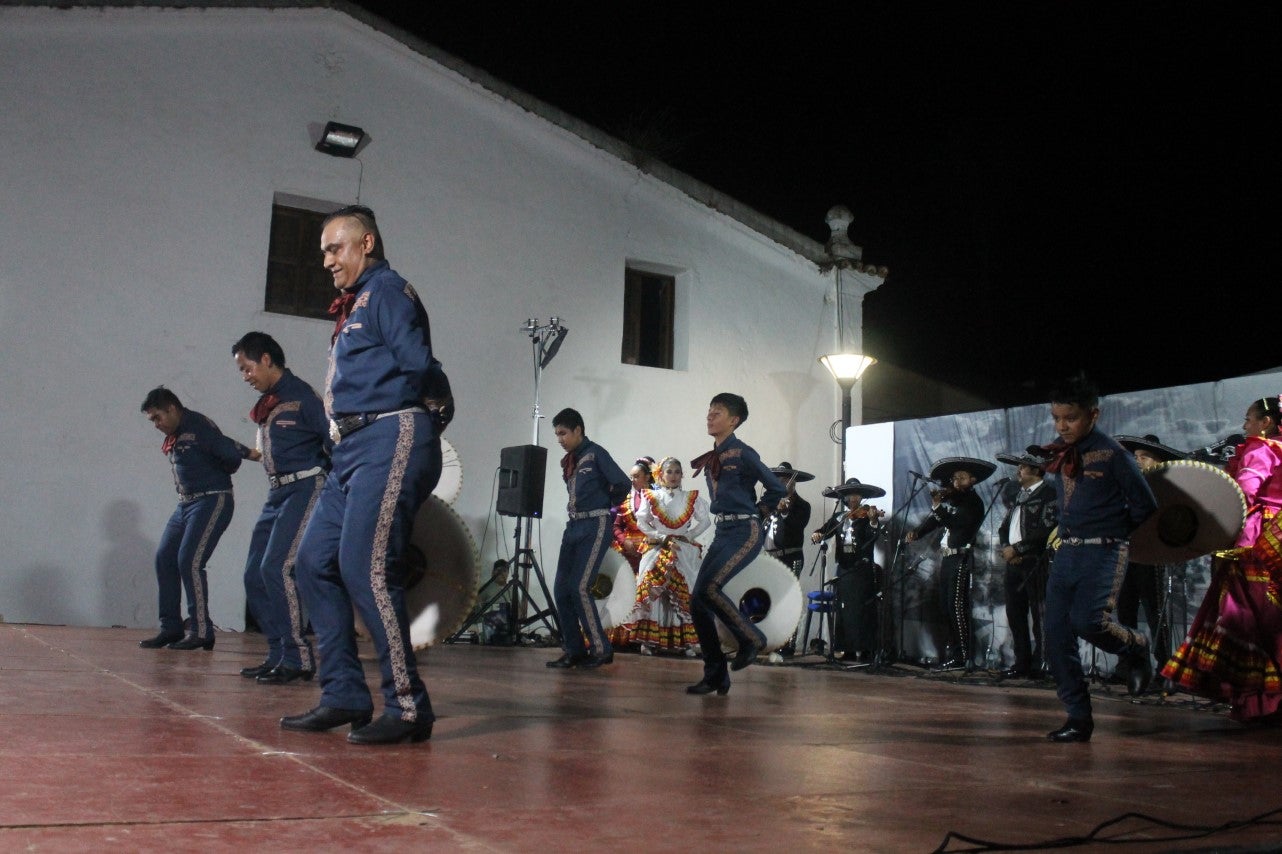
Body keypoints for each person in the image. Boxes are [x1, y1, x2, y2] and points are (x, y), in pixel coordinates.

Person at [282, 204, 453, 745]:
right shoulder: (355, 303)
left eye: (335, 248)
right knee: (312, 562)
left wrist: (432, 411)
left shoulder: (387, 292)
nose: (327, 261)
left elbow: (420, 365)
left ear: (367, 243)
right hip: (350, 449)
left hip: (388, 433)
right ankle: (344, 694)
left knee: (366, 567)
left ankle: (408, 706)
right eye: (323, 252)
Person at [1031, 374, 1158, 743]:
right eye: (1056, 418)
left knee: (1088, 622)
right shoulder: (1060, 452)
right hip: (1067, 551)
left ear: (1093, 415)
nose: (1061, 426)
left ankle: (1136, 646)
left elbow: (1145, 505)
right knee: (1056, 635)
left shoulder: (1114, 454)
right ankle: (1078, 717)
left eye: (1070, 418)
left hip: (1104, 549)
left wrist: (1114, 532)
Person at [1162, 396, 1282, 723]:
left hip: (1256, 540)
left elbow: (1243, 494)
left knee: (1247, 619)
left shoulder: (1261, 449)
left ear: (1266, 423)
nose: (1245, 426)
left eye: (1249, 419)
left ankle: (1260, 703)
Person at [232, 331, 329, 685]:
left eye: (247, 368)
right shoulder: (270, 404)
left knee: (276, 567)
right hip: (277, 493)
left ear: (266, 359)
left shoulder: (303, 397)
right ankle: (277, 654)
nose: (246, 377)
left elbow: (334, 445)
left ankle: (298, 658)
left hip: (306, 487)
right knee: (253, 574)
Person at [685, 393, 788, 695]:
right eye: (709, 411)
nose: (709, 416)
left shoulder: (743, 453)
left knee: (708, 589)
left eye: (717, 412)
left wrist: (760, 513)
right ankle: (715, 675)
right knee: (697, 601)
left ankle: (751, 638)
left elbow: (776, 487)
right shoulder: (712, 458)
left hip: (745, 530)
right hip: (723, 531)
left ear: (734, 420)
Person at [140, 387, 255, 650]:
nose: (156, 425)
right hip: (186, 504)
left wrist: (223, 471)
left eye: (157, 417)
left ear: (172, 408)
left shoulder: (198, 425)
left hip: (212, 499)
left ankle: (201, 630)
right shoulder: (177, 433)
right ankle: (170, 627)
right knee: (165, 558)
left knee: (190, 561)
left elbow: (229, 453)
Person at [546, 408, 631, 669]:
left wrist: (605, 504)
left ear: (578, 430)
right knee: (562, 589)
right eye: (557, 434)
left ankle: (601, 648)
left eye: (563, 433)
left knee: (580, 586)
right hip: (574, 526)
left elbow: (623, 483)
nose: (559, 439)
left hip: (595, 524)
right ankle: (574, 651)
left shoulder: (596, 454)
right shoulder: (571, 460)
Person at [904, 456, 994, 670]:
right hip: (948, 558)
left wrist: (938, 507)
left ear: (972, 480)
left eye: (961, 478)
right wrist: (917, 532)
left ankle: (964, 656)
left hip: (961, 558)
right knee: (946, 607)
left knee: (957, 606)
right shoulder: (954, 502)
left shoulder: (973, 502)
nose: (956, 482)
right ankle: (953, 653)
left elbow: (956, 522)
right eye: (954, 478)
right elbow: (936, 520)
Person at [1113, 434, 1185, 681]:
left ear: (1158, 461)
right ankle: (1129, 666)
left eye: (1144, 457)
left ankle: (1164, 667)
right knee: (1125, 613)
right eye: (1136, 457)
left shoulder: (1166, 488)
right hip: (1127, 555)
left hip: (1153, 557)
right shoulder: (1129, 486)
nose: (1138, 461)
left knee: (1157, 613)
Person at [623, 456, 710, 654]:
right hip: (657, 549)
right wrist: (660, 535)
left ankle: (685, 643)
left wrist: (689, 535)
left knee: (684, 594)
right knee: (653, 593)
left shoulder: (690, 498)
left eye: (677, 472)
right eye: (669, 472)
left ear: (682, 475)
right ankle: (648, 641)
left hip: (682, 550)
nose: (673, 476)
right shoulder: (652, 496)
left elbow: (705, 521)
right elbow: (641, 522)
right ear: (660, 474)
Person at [994, 451, 1058, 679]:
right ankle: (1022, 662)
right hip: (1014, 563)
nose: (1018, 471)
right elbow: (1004, 528)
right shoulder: (1019, 496)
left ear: (1036, 470)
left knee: (1040, 614)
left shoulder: (1049, 494)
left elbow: (1047, 529)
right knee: (1015, 612)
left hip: (1036, 562)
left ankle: (1044, 662)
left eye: (1022, 467)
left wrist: (1018, 549)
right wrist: (1006, 548)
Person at [810, 477, 886, 663]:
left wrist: (873, 521)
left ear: (861, 498)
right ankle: (848, 649)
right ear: (844, 498)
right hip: (844, 568)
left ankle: (866, 650)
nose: (853, 499)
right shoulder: (839, 517)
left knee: (861, 610)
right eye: (850, 495)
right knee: (844, 611)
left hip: (861, 569)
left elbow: (872, 537)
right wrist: (817, 534)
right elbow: (825, 530)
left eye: (857, 495)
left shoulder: (867, 516)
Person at [764, 462, 813, 656]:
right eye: (778, 480)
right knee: (772, 599)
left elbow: (797, 526)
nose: (782, 483)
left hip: (791, 557)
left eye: (785, 480)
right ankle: (772, 639)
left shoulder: (802, 505)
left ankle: (788, 643)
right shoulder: (771, 502)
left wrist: (784, 512)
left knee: (789, 599)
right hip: (771, 559)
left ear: (793, 483)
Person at [613, 456, 656, 573]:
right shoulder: (627, 498)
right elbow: (616, 526)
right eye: (631, 477)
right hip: (629, 549)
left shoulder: (659, 497)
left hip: (653, 547)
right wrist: (624, 541)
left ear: (647, 477)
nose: (632, 480)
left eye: (636, 476)